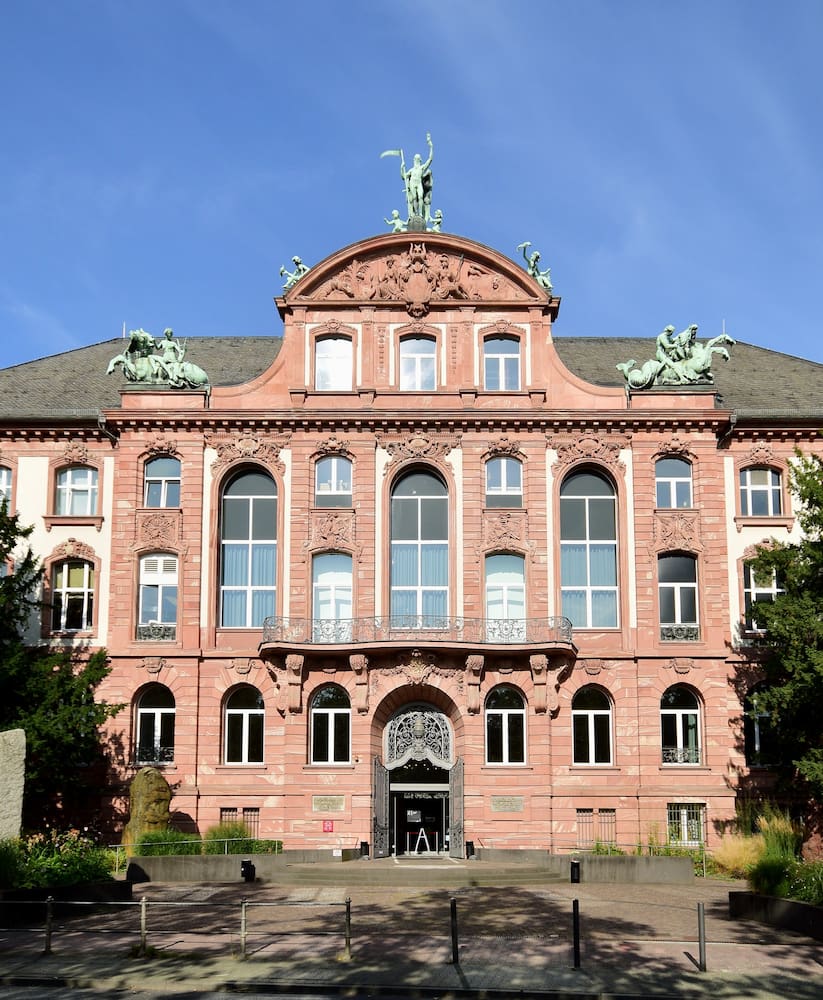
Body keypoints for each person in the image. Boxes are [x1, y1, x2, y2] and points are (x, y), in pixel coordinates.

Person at [401, 132, 434, 220]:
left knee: (420, 196)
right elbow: (403, 177)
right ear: (413, 160)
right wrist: (402, 167)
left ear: (420, 160)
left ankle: (420, 214)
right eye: (415, 159)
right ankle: (416, 214)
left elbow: (430, 159)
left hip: (418, 183)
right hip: (412, 183)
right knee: (414, 197)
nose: (416, 160)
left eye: (418, 159)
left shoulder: (422, 168)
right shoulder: (411, 170)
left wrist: (431, 146)